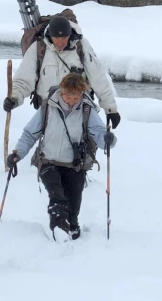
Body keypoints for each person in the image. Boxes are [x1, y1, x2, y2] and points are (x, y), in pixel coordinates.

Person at [7, 73, 116, 239]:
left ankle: (71, 229)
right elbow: (30, 134)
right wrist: (17, 154)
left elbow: (100, 135)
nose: (71, 101)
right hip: (48, 160)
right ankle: (59, 231)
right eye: (68, 96)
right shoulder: (48, 106)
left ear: (82, 94)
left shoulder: (87, 109)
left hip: (75, 164)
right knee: (57, 197)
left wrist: (109, 140)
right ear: (61, 91)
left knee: (73, 207)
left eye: (75, 97)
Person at [3, 15, 122, 129]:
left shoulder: (81, 46)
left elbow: (98, 78)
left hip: (78, 109)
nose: (60, 43)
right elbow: (23, 79)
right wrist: (14, 98)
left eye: (64, 38)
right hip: (49, 111)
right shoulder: (38, 48)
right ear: (50, 35)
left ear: (70, 34)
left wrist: (110, 109)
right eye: (56, 38)